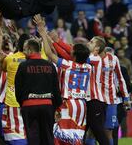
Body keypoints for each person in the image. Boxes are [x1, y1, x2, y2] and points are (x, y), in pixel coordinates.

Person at [35, 14, 92, 145]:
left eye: (73, 50)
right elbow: (57, 52)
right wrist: (51, 39)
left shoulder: (69, 65)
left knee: (62, 136)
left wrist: (43, 33)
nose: (71, 49)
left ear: (75, 55)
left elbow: (50, 54)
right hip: (82, 105)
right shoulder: (88, 67)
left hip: (68, 103)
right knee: (77, 136)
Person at [14, 38, 62, 145]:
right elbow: (56, 89)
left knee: (33, 139)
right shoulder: (50, 66)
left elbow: (18, 89)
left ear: (30, 50)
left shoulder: (23, 66)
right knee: (48, 138)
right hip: (47, 106)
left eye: (25, 49)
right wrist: (57, 106)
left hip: (29, 106)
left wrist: (22, 103)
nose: (23, 52)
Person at [0, 34, 30, 144]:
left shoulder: (9, 58)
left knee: (15, 131)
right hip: (29, 99)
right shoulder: (35, 59)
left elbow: (4, 69)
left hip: (13, 99)